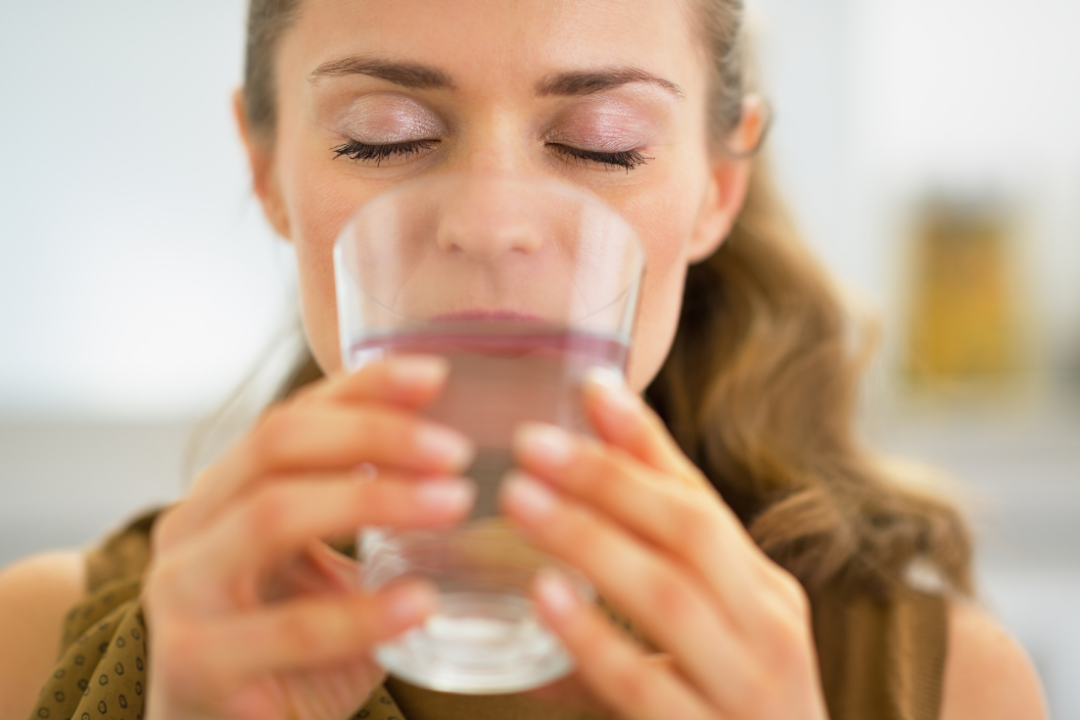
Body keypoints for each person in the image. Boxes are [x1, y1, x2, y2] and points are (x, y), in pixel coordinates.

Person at [0, 1, 1048, 719]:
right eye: (384, 133)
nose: (494, 221)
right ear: (268, 168)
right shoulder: (34, 640)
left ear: (715, 190)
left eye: (600, 142)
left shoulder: (944, 685)